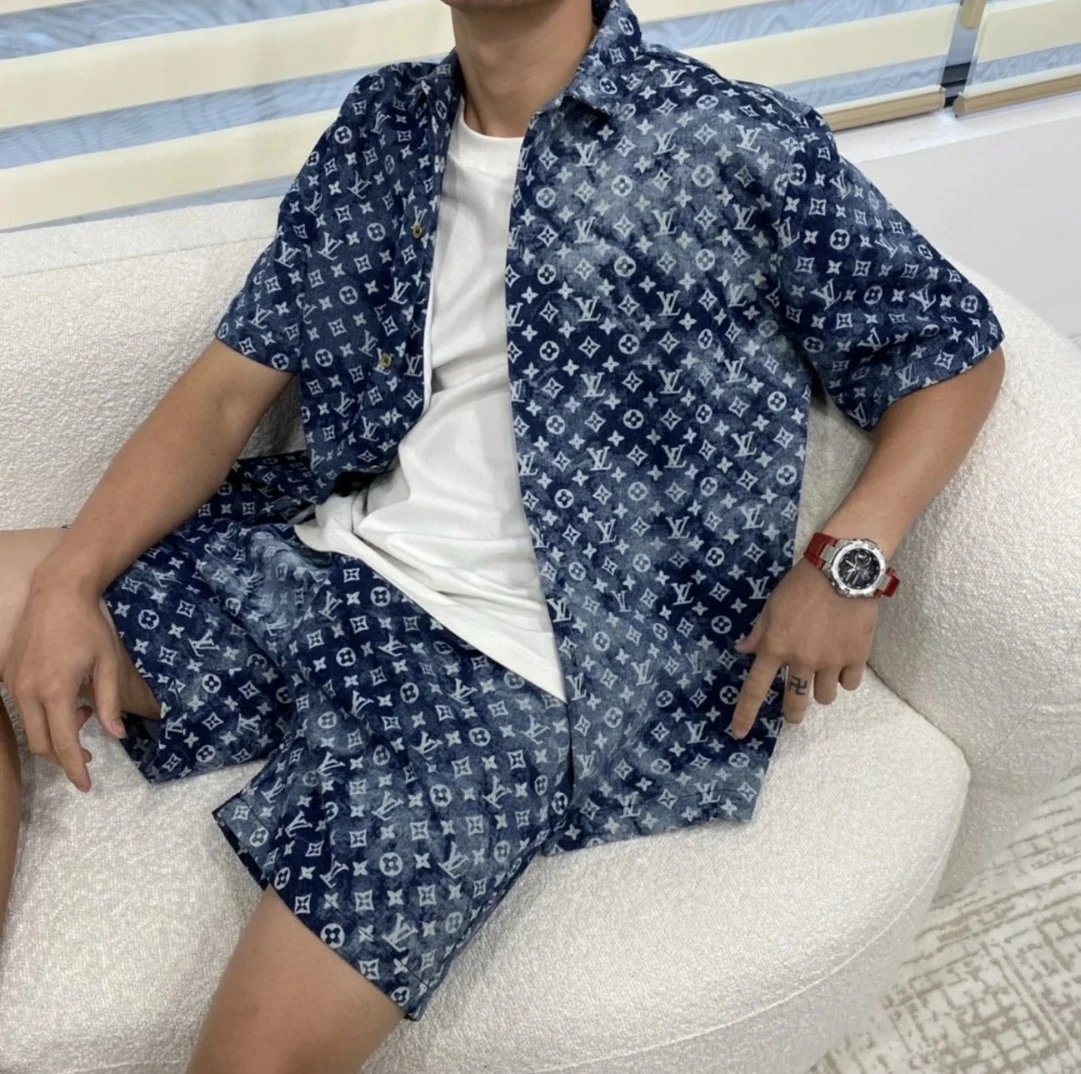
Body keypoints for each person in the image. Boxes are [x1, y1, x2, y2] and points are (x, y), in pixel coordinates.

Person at [0, 0, 1006, 1068]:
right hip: (327, 557)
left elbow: (951, 351)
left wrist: (847, 564)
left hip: (517, 672)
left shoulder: (735, 142)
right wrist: (69, 582)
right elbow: (223, 393)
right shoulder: (383, 127)